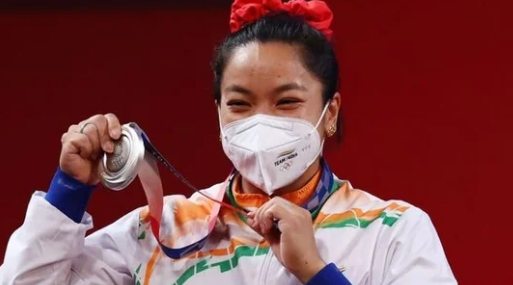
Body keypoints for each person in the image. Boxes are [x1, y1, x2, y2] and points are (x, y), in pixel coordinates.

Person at [0, 0, 457, 284]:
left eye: (286, 102)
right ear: (218, 111)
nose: (261, 123)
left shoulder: (392, 231)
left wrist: (317, 274)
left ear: (330, 112)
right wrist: (69, 190)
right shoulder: (161, 230)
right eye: (239, 104)